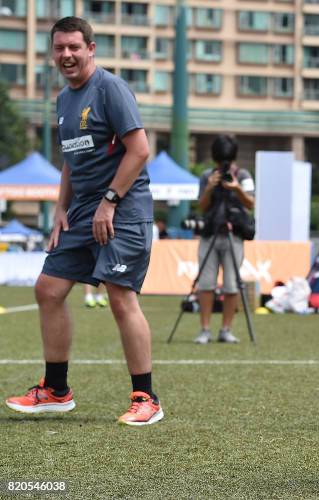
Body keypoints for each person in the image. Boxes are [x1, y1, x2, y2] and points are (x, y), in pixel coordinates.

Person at [5, 17, 162, 426]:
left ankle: (147, 397)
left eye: (75, 47)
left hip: (121, 209)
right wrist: (61, 208)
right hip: (81, 212)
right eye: (60, 48)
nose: (67, 55)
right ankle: (56, 390)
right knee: (48, 289)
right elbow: (71, 162)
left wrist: (109, 201)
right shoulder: (63, 99)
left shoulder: (111, 89)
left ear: (91, 48)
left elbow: (140, 150)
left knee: (119, 295)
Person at [194, 135, 255, 344]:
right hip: (210, 233)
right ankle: (205, 330)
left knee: (231, 285)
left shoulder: (243, 175)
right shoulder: (206, 176)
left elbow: (251, 203)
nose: (223, 165)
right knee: (206, 284)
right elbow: (201, 206)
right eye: (220, 161)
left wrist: (236, 188)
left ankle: (226, 329)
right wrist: (210, 187)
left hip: (234, 235)